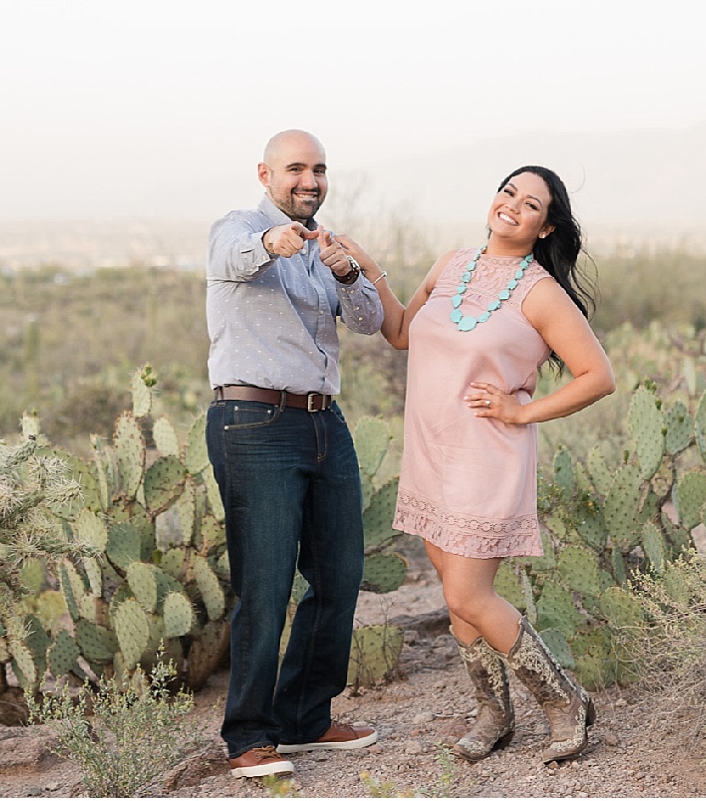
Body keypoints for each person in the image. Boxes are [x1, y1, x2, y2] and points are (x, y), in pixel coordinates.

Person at [336, 165, 616, 764]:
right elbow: (402, 333)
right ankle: (493, 713)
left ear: (546, 227)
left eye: (531, 204)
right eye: (509, 191)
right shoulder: (450, 264)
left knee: (470, 594)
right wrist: (367, 268)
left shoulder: (540, 293)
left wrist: (522, 414)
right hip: (431, 450)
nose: (513, 206)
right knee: (453, 592)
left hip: (486, 457)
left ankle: (565, 702)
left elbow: (600, 377)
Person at [204, 129, 385, 779]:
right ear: (265, 174)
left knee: (339, 572)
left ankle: (306, 716)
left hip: (321, 421)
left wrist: (348, 271)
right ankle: (249, 733)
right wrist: (269, 244)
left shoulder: (324, 245)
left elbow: (367, 321)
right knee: (267, 578)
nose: (309, 180)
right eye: (295, 169)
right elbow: (232, 259)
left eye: (319, 169)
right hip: (252, 420)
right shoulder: (239, 226)